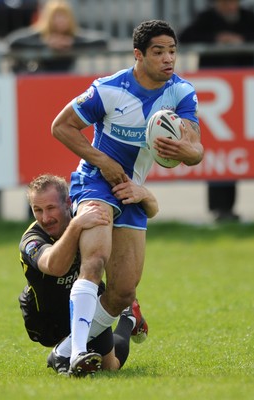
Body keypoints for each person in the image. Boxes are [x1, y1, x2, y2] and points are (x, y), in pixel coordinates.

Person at [51, 19, 203, 376]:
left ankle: (67, 348)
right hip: (95, 183)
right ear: (138, 55)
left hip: (132, 191)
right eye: (158, 51)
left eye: (172, 51)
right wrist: (102, 162)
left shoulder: (181, 93)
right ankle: (75, 359)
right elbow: (61, 126)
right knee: (96, 258)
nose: (168, 59)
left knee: (122, 292)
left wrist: (184, 147)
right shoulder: (108, 89)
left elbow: (196, 152)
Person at [19, 173, 158, 375]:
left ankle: (128, 317)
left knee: (110, 367)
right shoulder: (32, 238)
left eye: (51, 208)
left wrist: (145, 194)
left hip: (88, 303)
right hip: (46, 317)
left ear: (68, 202)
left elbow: (151, 210)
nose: (45, 218)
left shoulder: (90, 215)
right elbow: (55, 266)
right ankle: (126, 315)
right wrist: (76, 226)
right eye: (37, 210)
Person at [179, 0, 254, 222]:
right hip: (215, 99)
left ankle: (228, 208)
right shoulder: (206, 19)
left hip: (245, 99)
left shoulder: (248, 18)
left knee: (238, 151)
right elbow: (185, 38)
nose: (231, 7)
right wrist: (216, 40)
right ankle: (220, 209)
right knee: (217, 151)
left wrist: (242, 41)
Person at [5, 0, 107, 73]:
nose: (60, 21)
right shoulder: (40, 35)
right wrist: (46, 43)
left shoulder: (73, 36)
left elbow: (103, 40)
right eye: (56, 17)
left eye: (64, 16)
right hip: (41, 81)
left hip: (66, 80)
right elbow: (13, 41)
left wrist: (71, 43)